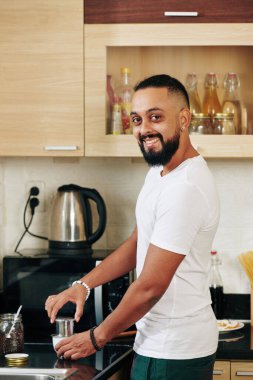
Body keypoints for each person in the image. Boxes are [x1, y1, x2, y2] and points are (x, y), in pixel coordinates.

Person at [45, 74, 220, 380]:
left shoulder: (186, 188)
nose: (144, 129)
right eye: (137, 119)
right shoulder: (160, 171)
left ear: (183, 119)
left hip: (174, 350)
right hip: (154, 341)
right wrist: (84, 284)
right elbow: (139, 241)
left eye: (155, 117)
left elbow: (151, 286)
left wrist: (97, 337)